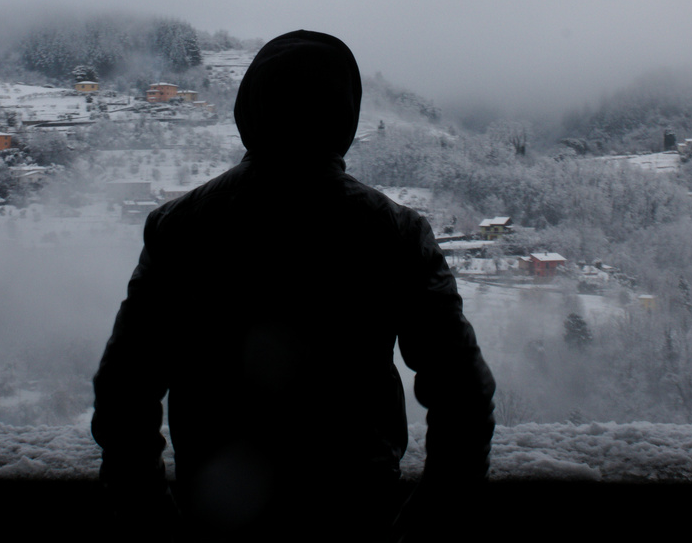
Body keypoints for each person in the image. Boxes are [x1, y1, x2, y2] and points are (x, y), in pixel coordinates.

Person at [92, 30, 495, 539]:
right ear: (344, 118)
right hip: (354, 514)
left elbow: (124, 388)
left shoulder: (180, 228)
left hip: (217, 517)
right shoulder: (395, 233)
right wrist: (431, 519)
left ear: (249, 112)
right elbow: (463, 390)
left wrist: (150, 520)